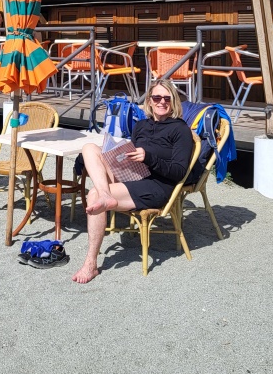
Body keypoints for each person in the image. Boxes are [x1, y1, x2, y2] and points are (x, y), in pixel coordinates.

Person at [71, 79, 196, 284]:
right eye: (157, 97)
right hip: (134, 174)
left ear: (174, 101)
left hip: (157, 186)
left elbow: (179, 172)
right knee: (89, 148)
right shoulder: (141, 125)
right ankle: (105, 194)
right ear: (150, 100)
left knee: (93, 195)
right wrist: (119, 155)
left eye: (167, 98)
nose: (162, 102)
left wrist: (149, 158)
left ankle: (90, 264)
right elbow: (132, 153)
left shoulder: (179, 129)